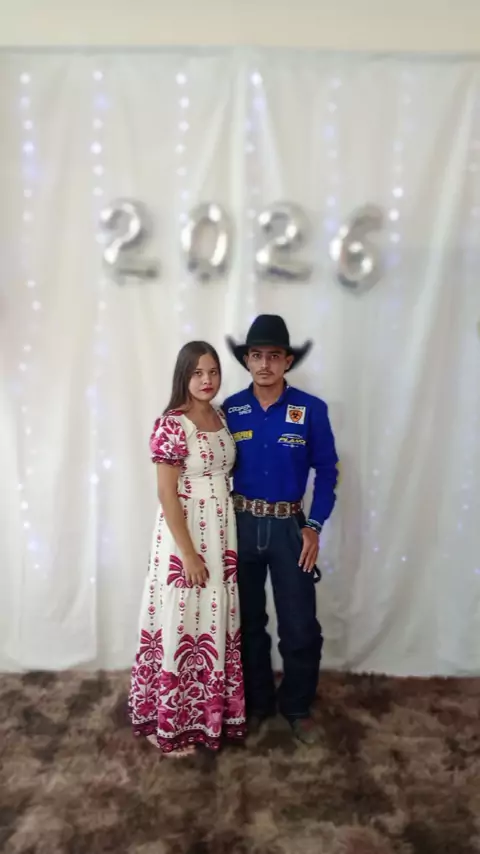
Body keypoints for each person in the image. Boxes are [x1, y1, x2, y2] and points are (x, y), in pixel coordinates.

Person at [223, 314, 338, 745]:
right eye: (256, 355)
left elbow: (327, 472)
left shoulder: (311, 410)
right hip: (241, 526)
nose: (265, 364)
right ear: (247, 361)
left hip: (291, 528)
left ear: (288, 361)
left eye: (274, 356)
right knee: (248, 623)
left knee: (300, 625)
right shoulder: (230, 410)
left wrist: (314, 526)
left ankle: (297, 706)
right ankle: (256, 705)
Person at [129, 341, 246, 757]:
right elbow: (166, 493)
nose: (207, 380)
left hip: (221, 532)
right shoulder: (172, 424)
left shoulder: (222, 417)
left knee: (211, 620)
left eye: (213, 372)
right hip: (186, 533)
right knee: (182, 619)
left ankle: (207, 719)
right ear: (184, 375)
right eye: (197, 373)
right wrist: (189, 555)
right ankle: (169, 723)